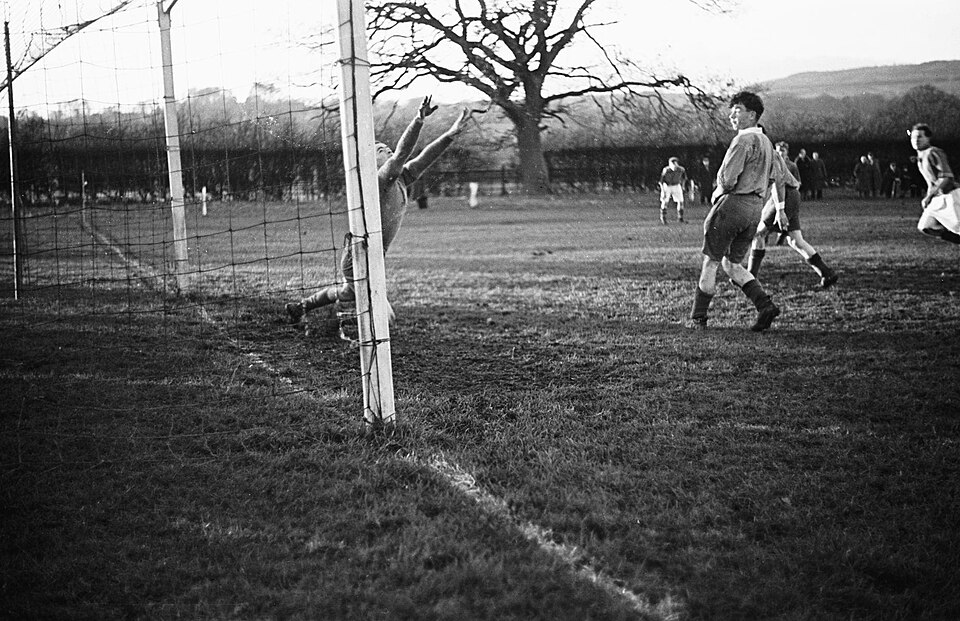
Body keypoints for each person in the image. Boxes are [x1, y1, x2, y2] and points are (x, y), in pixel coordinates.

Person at [285, 96, 469, 334]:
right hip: (358, 256)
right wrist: (418, 120)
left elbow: (425, 157)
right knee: (386, 319)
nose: (387, 149)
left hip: (371, 255)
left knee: (348, 292)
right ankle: (333, 326)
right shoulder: (380, 180)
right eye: (380, 150)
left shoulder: (401, 178)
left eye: (387, 147)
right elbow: (401, 153)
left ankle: (300, 307)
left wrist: (451, 134)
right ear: (371, 162)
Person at [687, 91, 781, 332]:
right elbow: (773, 177)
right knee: (732, 264)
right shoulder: (768, 143)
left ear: (752, 115)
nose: (732, 115)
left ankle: (698, 317)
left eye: (737, 110)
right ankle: (765, 305)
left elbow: (728, 180)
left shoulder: (742, 141)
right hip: (755, 209)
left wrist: (718, 193)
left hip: (733, 205)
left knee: (711, 262)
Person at [747, 140, 839, 289]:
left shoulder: (770, 159)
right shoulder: (768, 157)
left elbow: (778, 183)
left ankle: (749, 278)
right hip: (791, 196)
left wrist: (780, 209)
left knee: (759, 234)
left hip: (784, 196)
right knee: (795, 240)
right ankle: (826, 273)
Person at [910, 123, 960, 245]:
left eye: (920, 137)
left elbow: (947, 178)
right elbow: (931, 183)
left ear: (928, 138)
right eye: (913, 137)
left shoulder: (934, 152)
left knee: (957, 227)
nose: (916, 140)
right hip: (938, 197)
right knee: (924, 226)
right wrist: (929, 197)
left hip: (950, 196)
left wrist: (929, 197)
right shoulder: (920, 157)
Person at [658, 157, 687, 223]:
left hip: (676, 185)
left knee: (680, 201)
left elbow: (684, 178)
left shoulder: (681, 169)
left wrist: (683, 186)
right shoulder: (666, 170)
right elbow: (661, 181)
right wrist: (663, 191)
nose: (674, 166)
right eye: (672, 164)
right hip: (667, 186)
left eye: (675, 164)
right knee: (665, 201)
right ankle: (663, 218)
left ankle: (680, 218)